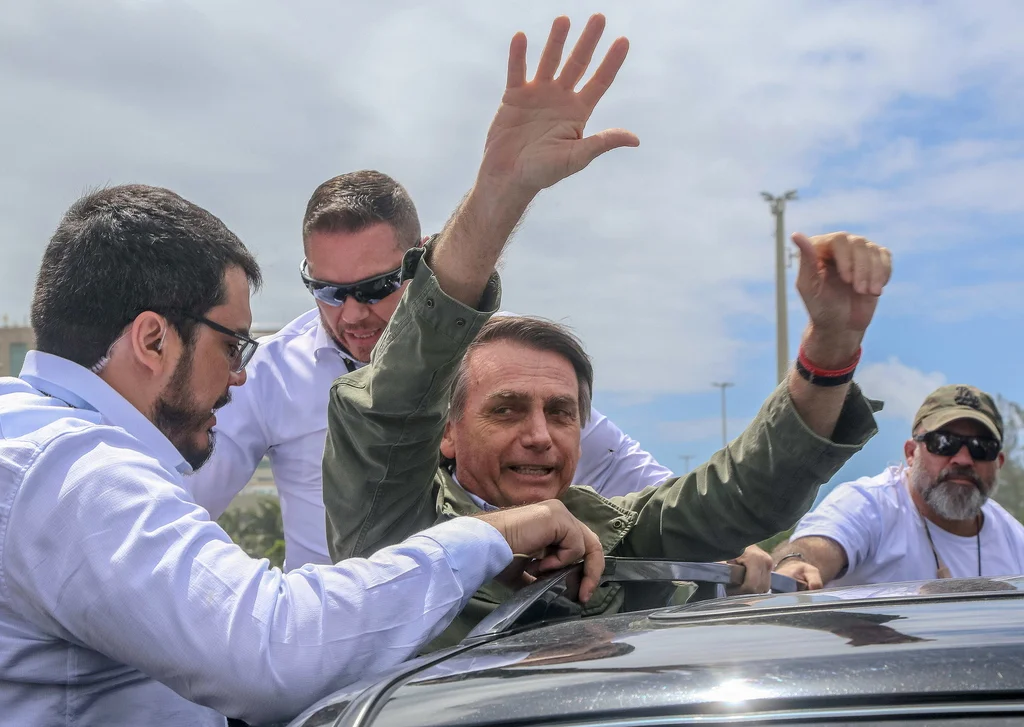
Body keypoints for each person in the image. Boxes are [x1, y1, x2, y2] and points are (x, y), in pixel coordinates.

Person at [0, 13, 646, 722]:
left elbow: (650, 488)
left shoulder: (36, 440)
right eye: (231, 344)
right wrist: (486, 536)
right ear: (153, 340)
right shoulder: (80, 475)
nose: (240, 376)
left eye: (377, 288)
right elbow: (268, 647)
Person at [321, 14, 892, 647]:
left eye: (561, 413)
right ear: (446, 435)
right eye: (506, 409)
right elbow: (396, 402)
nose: (539, 436)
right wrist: (499, 195)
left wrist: (832, 343)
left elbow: (746, 492)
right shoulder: (396, 530)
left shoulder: (613, 530)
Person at [185, 169, 674, 570]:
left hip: (483, 628)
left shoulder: (495, 350)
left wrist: (716, 545)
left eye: (376, 287)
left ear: (417, 261)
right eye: (328, 291)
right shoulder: (272, 374)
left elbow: (618, 466)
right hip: (342, 655)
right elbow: (184, 502)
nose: (352, 314)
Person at [773, 384, 1024, 589]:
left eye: (982, 448)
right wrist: (795, 563)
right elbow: (820, 545)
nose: (963, 459)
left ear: (998, 462)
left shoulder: (1013, 538)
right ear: (911, 453)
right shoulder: (869, 505)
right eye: (944, 442)